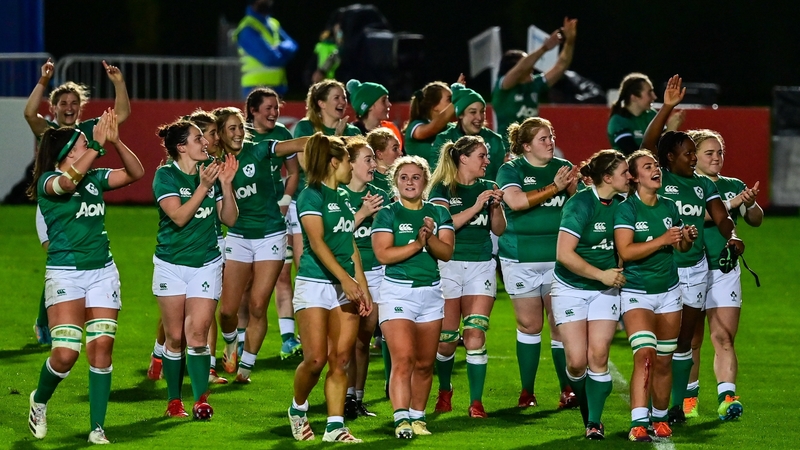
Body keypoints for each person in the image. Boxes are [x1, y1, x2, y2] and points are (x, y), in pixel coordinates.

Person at [26, 110, 144, 444]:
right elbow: (66, 183)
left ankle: (97, 428)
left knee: (102, 348)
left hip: (102, 272)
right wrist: (97, 141)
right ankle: (39, 399)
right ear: (68, 153)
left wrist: (116, 141)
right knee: (65, 354)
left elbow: (136, 173)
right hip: (66, 274)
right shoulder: (48, 182)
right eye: (81, 142)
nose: (88, 144)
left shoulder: (94, 179)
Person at [640, 75, 745, 424]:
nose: (692, 159)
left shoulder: (701, 185)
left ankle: (677, 406)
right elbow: (649, 141)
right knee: (661, 343)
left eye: (692, 153)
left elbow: (721, 216)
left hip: (696, 269)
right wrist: (667, 106)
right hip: (662, 269)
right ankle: (653, 403)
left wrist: (731, 236)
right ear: (670, 157)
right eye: (687, 154)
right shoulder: (662, 178)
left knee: (685, 340)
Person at [24, 58, 131, 344]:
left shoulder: (87, 130)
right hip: (54, 203)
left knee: (65, 262)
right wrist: (44, 80)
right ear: (54, 107)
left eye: (74, 102)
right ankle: (47, 319)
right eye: (63, 103)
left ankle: (53, 319)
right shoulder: (51, 134)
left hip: (82, 202)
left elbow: (120, 114)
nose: (69, 107)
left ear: (80, 107)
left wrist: (118, 83)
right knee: (58, 258)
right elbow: (29, 113)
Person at [287, 133, 372, 443]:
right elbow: (317, 242)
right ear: (335, 162)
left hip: (344, 285)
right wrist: (346, 281)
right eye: (349, 160)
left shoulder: (346, 198)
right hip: (314, 282)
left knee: (341, 359)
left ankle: (335, 427)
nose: (352, 165)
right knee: (315, 359)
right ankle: (298, 408)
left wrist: (361, 286)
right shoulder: (310, 196)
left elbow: (349, 244)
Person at [152, 120, 239, 419]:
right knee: (174, 336)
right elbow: (178, 217)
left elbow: (229, 219)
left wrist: (225, 186)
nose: (205, 142)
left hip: (206, 263)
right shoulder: (165, 175)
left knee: (197, 333)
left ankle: (201, 399)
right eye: (198, 138)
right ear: (181, 147)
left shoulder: (211, 174)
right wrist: (203, 187)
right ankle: (174, 402)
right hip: (170, 264)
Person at [213, 107, 306, 383]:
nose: (239, 133)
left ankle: (246, 367)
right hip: (239, 237)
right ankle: (231, 342)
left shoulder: (262, 150)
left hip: (270, 235)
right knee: (228, 311)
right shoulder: (213, 167)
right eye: (232, 128)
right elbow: (226, 217)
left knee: (257, 304)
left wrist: (323, 140)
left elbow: (299, 144)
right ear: (219, 134)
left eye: (241, 127)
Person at [614, 150, 697, 442]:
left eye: (656, 165)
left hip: (669, 292)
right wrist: (663, 239)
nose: (656, 170)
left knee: (664, 360)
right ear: (635, 177)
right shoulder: (627, 210)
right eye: (647, 166)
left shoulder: (670, 206)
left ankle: (659, 419)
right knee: (645, 356)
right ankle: (638, 422)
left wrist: (685, 239)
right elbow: (625, 251)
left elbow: (680, 249)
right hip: (637, 293)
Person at [496, 117, 579, 409]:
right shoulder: (511, 169)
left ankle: (567, 389)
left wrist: (574, 190)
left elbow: (578, 208)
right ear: (526, 145)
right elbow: (516, 202)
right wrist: (556, 188)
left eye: (551, 136)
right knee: (530, 325)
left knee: (559, 324)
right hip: (520, 258)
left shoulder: (563, 169)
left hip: (558, 259)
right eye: (543, 138)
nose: (550, 142)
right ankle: (527, 391)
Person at [372, 156, 455, 439]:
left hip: (431, 292)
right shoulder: (387, 214)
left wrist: (429, 239)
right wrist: (419, 243)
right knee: (404, 358)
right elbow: (383, 254)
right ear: (395, 181)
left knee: (424, 362)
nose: (410, 182)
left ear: (425, 181)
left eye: (416, 177)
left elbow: (446, 252)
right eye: (404, 177)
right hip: (398, 292)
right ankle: (401, 418)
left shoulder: (439, 213)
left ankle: (418, 417)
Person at [683, 129, 762, 421]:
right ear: (694, 157)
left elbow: (755, 220)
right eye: (709, 153)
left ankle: (727, 398)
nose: (716, 158)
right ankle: (689, 397)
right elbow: (694, 216)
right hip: (689, 270)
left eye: (720, 152)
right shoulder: (686, 186)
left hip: (724, 269)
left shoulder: (733, 185)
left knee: (724, 337)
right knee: (690, 340)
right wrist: (731, 204)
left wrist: (750, 202)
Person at [552, 150, 630, 440]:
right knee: (575, 361)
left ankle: (594, 422)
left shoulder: (624, 204)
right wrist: (601, 273)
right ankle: (588, 410)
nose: (629, 177)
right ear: (607, 178)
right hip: (571, 287)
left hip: (605, 291)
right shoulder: (581, 204)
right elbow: (563, 254)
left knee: (598, 355)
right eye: (624, 172)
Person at [428, 136, 506, 418]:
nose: (487, 161)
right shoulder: (442, 188)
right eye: (482, 156)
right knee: (446, 339)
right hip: (448, 264)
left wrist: (495, 207)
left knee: (475, 334)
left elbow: (498, 230)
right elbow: (443, 226)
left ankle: (476, 402)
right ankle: (445, 389)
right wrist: (476, 207)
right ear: (463, 159)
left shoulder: (489, 188)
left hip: (481, 265)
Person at [245, 88, 303, 360]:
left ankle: (288, 337)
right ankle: (239, 340)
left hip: (279, 214)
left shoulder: (282, 133)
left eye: (276, 108)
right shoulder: (240, 136)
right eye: (267, 107)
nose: (273, 113)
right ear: (253, 110)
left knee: (283, 274)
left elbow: (293, 172)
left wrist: (286, 199)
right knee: (245, 283)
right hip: (246, 218)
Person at [340, 136, 390, 419]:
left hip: (377, 273)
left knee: (363, 339)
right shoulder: (336, 194)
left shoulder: (380, 193)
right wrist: (362, 214)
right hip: (346, 275)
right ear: (351, 163)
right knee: (345, 341)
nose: (374, 164)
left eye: (374, 158)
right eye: (368, 159)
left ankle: (357, 398)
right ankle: (345, 397)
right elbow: (334, 236)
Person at [492, 18, 577, 139]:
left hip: (531, 150)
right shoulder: (503, 86)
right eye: (528, 63)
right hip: (507, 150)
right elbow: (521, 68)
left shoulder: (534, 84)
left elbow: (561, 66)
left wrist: (570, 42)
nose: (532, 67)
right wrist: (544, 48)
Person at [431, 83, 507, 181]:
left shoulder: (494, 140)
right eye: (473, 112)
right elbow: (437, 175)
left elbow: (501, 177)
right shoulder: (444, 139)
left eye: (482, 111)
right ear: (460, 115)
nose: (479, 117)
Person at [234, 0, 298, 98]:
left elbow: (293, 45)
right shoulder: (247, 27)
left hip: (278, 87)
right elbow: (269, 59)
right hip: (255, 89)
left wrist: (279, 48)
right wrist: (284, 54)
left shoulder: (273, 23)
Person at [607, 73, 683, 155]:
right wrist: (669, 131)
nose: (654, 97)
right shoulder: (618, 121)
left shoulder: (651, 114)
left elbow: (664, 148)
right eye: (649, 93)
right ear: (634, 97)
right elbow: (635, 156)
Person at [403, 75, 465, 170]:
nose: (453, 102)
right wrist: (458, 97)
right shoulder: (415, 126)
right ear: (434, 106)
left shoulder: (451, 128)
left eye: (453, 99)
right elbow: (431, 129)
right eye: (450, 99)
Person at [346, 79, 403, 144]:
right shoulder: (351, 133)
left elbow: (401, 153)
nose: (389, 104)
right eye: (384, 101)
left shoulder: (391, 129)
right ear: (369, 106)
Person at [366, 127, 402, 195]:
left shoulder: (404, 177)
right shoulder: (369, 180)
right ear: (379, 154)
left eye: (399, 148)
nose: (400, 153)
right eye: (395, 149)